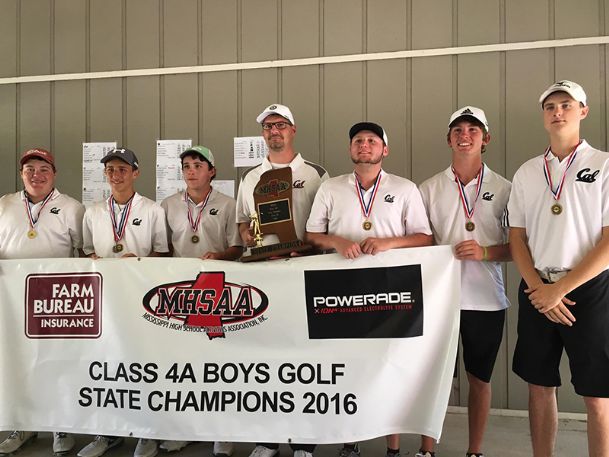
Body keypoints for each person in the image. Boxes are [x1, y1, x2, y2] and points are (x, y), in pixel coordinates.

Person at [305, 122, 433, 457]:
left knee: (388, 368)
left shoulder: (405, 189)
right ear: (350, 149)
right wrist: (337, 241)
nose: (365, 145)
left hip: (389, 292)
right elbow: (311, 234)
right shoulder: (331, 188)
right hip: (340, 291)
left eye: (372, 141)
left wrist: (390, 242)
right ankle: (351, 442)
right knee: (348, 367)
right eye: (358, 141)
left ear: (384, 150)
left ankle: (392, 447)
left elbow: (424, 237)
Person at [508, 80, 609, 457]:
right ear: (543, 116)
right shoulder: (528, 172)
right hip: (538, 289)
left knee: (597, 392)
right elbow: (517, 237)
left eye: (566, 105)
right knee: (539, 386)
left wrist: (561, 289)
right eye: (550, 106)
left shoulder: (603, 165)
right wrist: (539, 288)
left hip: (589, 290)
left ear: (583, 111)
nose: (558, 112)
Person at [236, 103, 329, 457]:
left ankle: (304, 440)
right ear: (263, 134)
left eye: (281, 125)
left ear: (293, 129)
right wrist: (247, 236)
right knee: (265, 363)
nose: (274, 131)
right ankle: (268, 437)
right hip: (265, 279)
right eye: (268, 127)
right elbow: (243, 223)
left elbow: (325, 224)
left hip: (303, 276)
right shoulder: (250, 177)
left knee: (304, 363)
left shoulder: (316, 173)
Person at [418, 107, 511, 457]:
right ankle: (427, 450)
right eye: (457, 129)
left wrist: (485, 252)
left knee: (479, 380)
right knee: (432, 379)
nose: (465, 135)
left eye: (473, 129)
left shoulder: (505, 188)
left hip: (486, 300)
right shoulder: (429, 188)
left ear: (485, 139)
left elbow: (519, 248)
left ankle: (474, 450)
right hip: (438, 301)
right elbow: (419, 241)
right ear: (449, 139)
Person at [79, 147, 169, 457]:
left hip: (141, 298)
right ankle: (107, 433)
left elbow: (163, 252)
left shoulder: (153, 209)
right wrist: (99, 261)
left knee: (142, 364)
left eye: (122, 169)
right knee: (105, 365)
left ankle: (147, 432)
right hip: (105, 300)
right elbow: (87, 250)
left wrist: (138, 260)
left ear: (135, 172)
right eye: (110, 170)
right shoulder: (92, 212)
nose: (116, 175)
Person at [0, 148, 84, 456]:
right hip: (11, 303)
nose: (36, 175)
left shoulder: (72, 208)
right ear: (22, 174)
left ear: (54, 174)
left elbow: (85, 254)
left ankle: (61, 425)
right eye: (30, 169)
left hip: (56, 302)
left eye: (43, 169)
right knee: (18, 363)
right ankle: (22, 424)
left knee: (57, 362)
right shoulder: (4, 204)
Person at [159, 145, 242, 455]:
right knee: (184, 365)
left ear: (212, 171)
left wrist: (218, 256)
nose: (191, 170)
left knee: (219, 364)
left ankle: (223, 431)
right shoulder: (167, 205)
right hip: (180, 294)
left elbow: (237, 249)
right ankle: (188, 429)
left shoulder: (228, 204)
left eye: (197, 164)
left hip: (217, 292)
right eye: (186, 165)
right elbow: (163, 250)